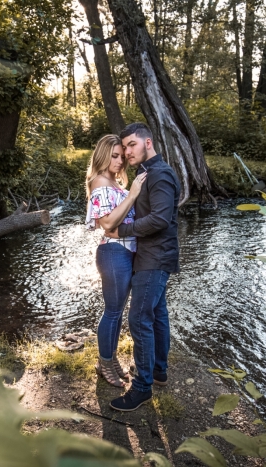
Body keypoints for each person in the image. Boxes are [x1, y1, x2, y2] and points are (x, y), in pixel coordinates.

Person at [104, 123, 181, 411]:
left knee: (139, 319)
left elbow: (160, 220)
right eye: (124, 147)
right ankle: (158, 372)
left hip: (155, 257)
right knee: (158, 314)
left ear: (148, 143)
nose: (126, 151)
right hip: (152, 255)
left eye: (131, 145)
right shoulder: (145, 173)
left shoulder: (160, 174)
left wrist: (121, 232)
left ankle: (142, 388)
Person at [85, 134, 147, 388]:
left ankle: (109, 361)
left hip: (126, 253)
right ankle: (104, 363)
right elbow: (108, 223)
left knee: (117, 311)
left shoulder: (114, 184)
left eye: (122, 156)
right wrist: (132, 195)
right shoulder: (99, 181)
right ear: (102, 155)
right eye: (114, 156)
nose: (120, 161)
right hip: (113, 252)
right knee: (112, 312)